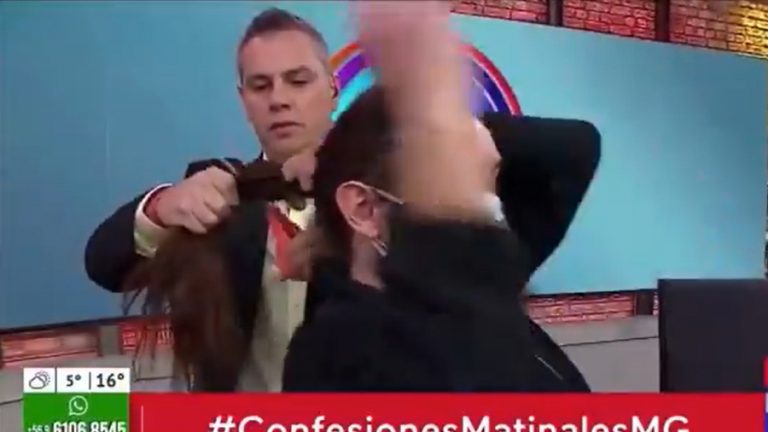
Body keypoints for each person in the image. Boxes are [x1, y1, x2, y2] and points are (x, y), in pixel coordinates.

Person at [281, 2, 599, 391]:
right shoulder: (340, 355)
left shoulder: (478, 278)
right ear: (364, 209)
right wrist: (435, 120)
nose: (485, 209)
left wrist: (457, 128)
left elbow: (578, 147)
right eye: (452, 183)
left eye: (485, 184)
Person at [84, 8, 338, 392]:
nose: (279, 99)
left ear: (332, 88)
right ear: (243, 100)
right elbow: (103, 264)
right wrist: (160, 209)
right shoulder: (219, 196)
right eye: (260, 86)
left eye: (298, 81)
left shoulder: (388, 191)